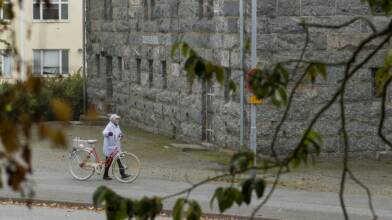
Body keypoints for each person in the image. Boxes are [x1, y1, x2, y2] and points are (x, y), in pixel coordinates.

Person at [102, 114, 130, 180]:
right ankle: (105, 175)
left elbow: (119, 133)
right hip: (109, 146)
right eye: (116, 119)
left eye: (118, 119)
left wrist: (121, 135)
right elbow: (104, 132)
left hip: (115, 145)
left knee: (119, 159)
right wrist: (108, 133)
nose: (118, 120)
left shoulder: (117, 126)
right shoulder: (109, 126)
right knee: (109, 161)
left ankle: (122, 174)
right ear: (112, 119)